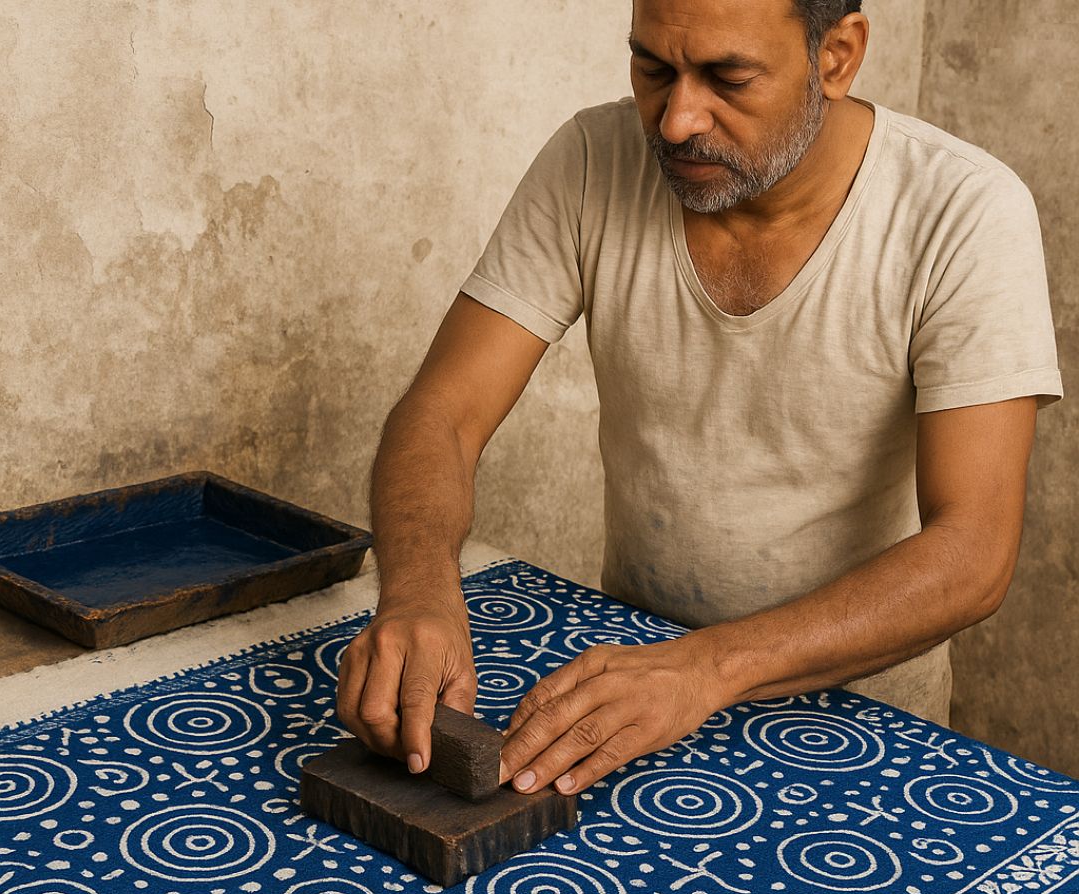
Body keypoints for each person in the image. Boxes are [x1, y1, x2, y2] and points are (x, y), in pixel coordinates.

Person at [335, 0, 1062, 798]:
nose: (677, 120)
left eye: (728, 77)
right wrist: (416, 592)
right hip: (637, 690)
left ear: (838, 56)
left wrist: (709, 665)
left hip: (865, 731)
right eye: (653, 68)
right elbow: (445, 410)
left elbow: (974, 554)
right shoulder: (592, 158)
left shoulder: (964, 211)